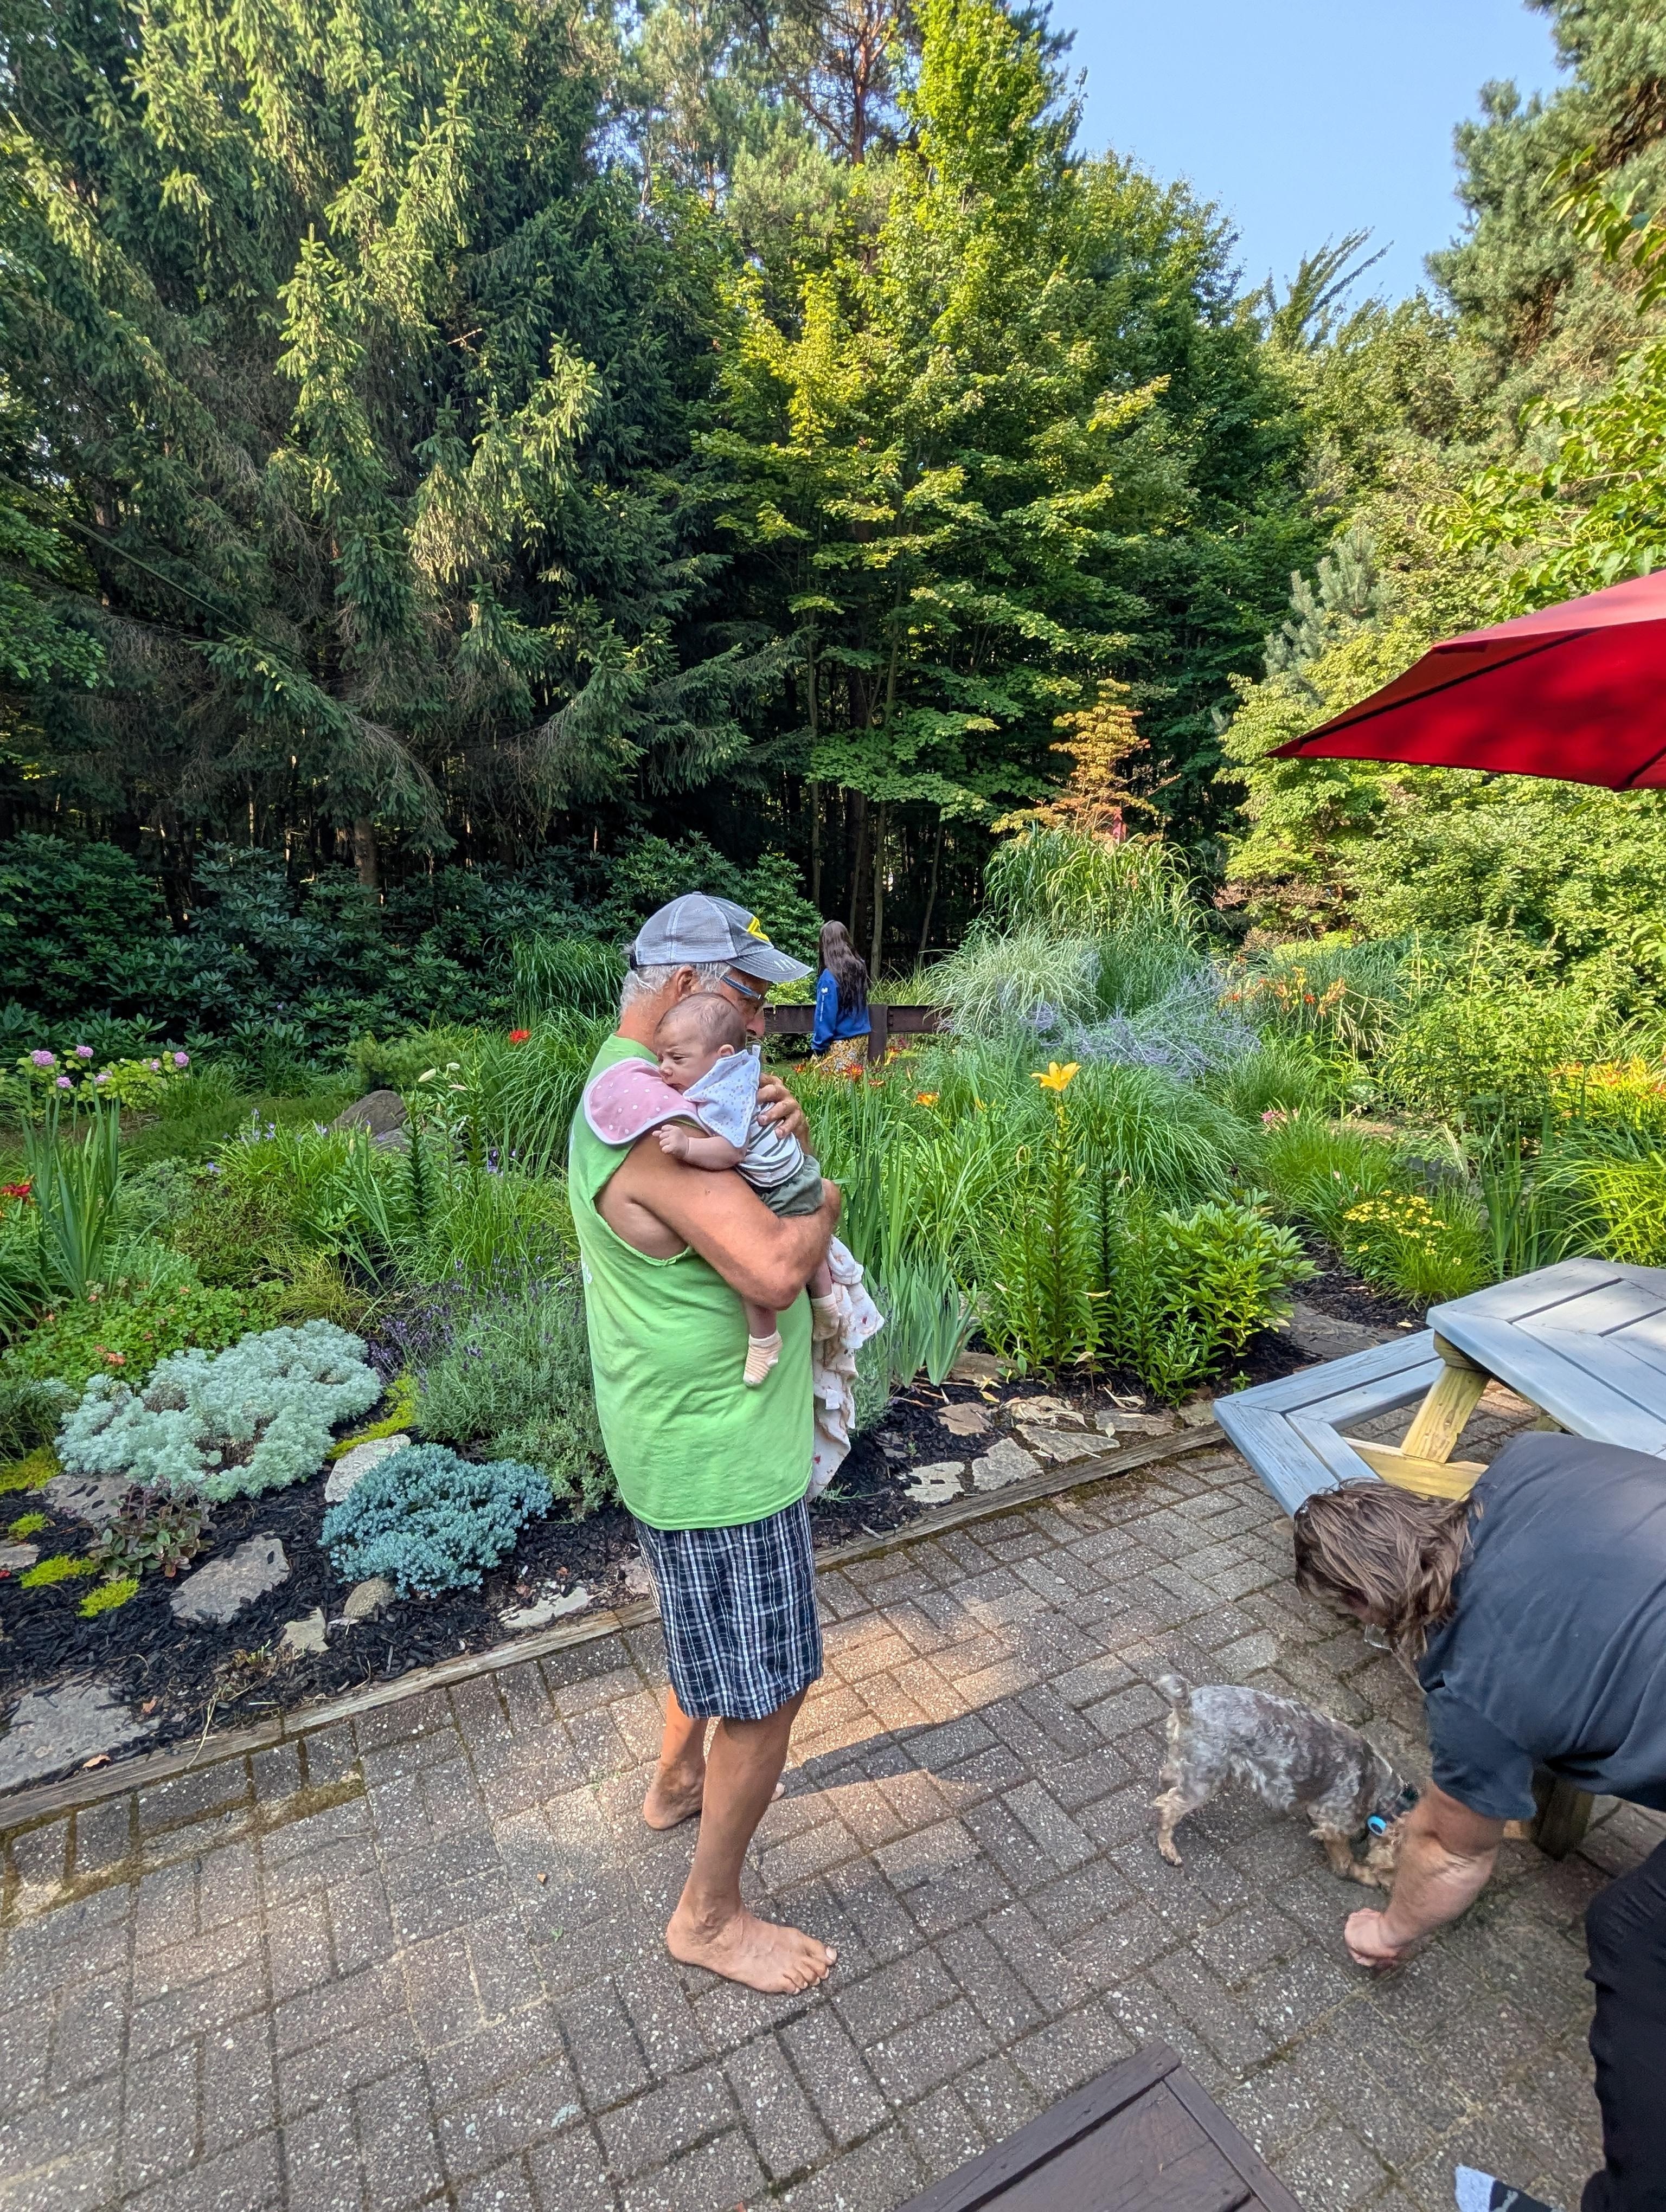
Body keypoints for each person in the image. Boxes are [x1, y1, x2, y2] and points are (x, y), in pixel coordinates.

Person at [568, 892, 841, 1994]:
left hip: (672, 1432)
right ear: (683, 986)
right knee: (769, 1687)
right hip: (717, 1456)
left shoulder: (629, 1075)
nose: (762, 1023)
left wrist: (787, 1136)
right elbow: (776, 1268)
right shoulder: (646, 1114)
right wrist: (823, 1191)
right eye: (749, 996)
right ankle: (709, 1917)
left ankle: (673, 1784)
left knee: (703, 1629)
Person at [1292, 1435, 1666, 2212]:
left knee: (1634, 1933)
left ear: (1363, 1599)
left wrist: (1388, 1932)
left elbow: (1452, 1853)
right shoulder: (1532, 1458)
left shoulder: (1470, 1683)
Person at [810, 919, 870, 1076]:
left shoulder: (829, 978)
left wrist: (818, 1047)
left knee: (834, 1096)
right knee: (855, 1092)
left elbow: (825, 1016)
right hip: (862, 1040)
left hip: (840, 1045)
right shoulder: (859, 968)